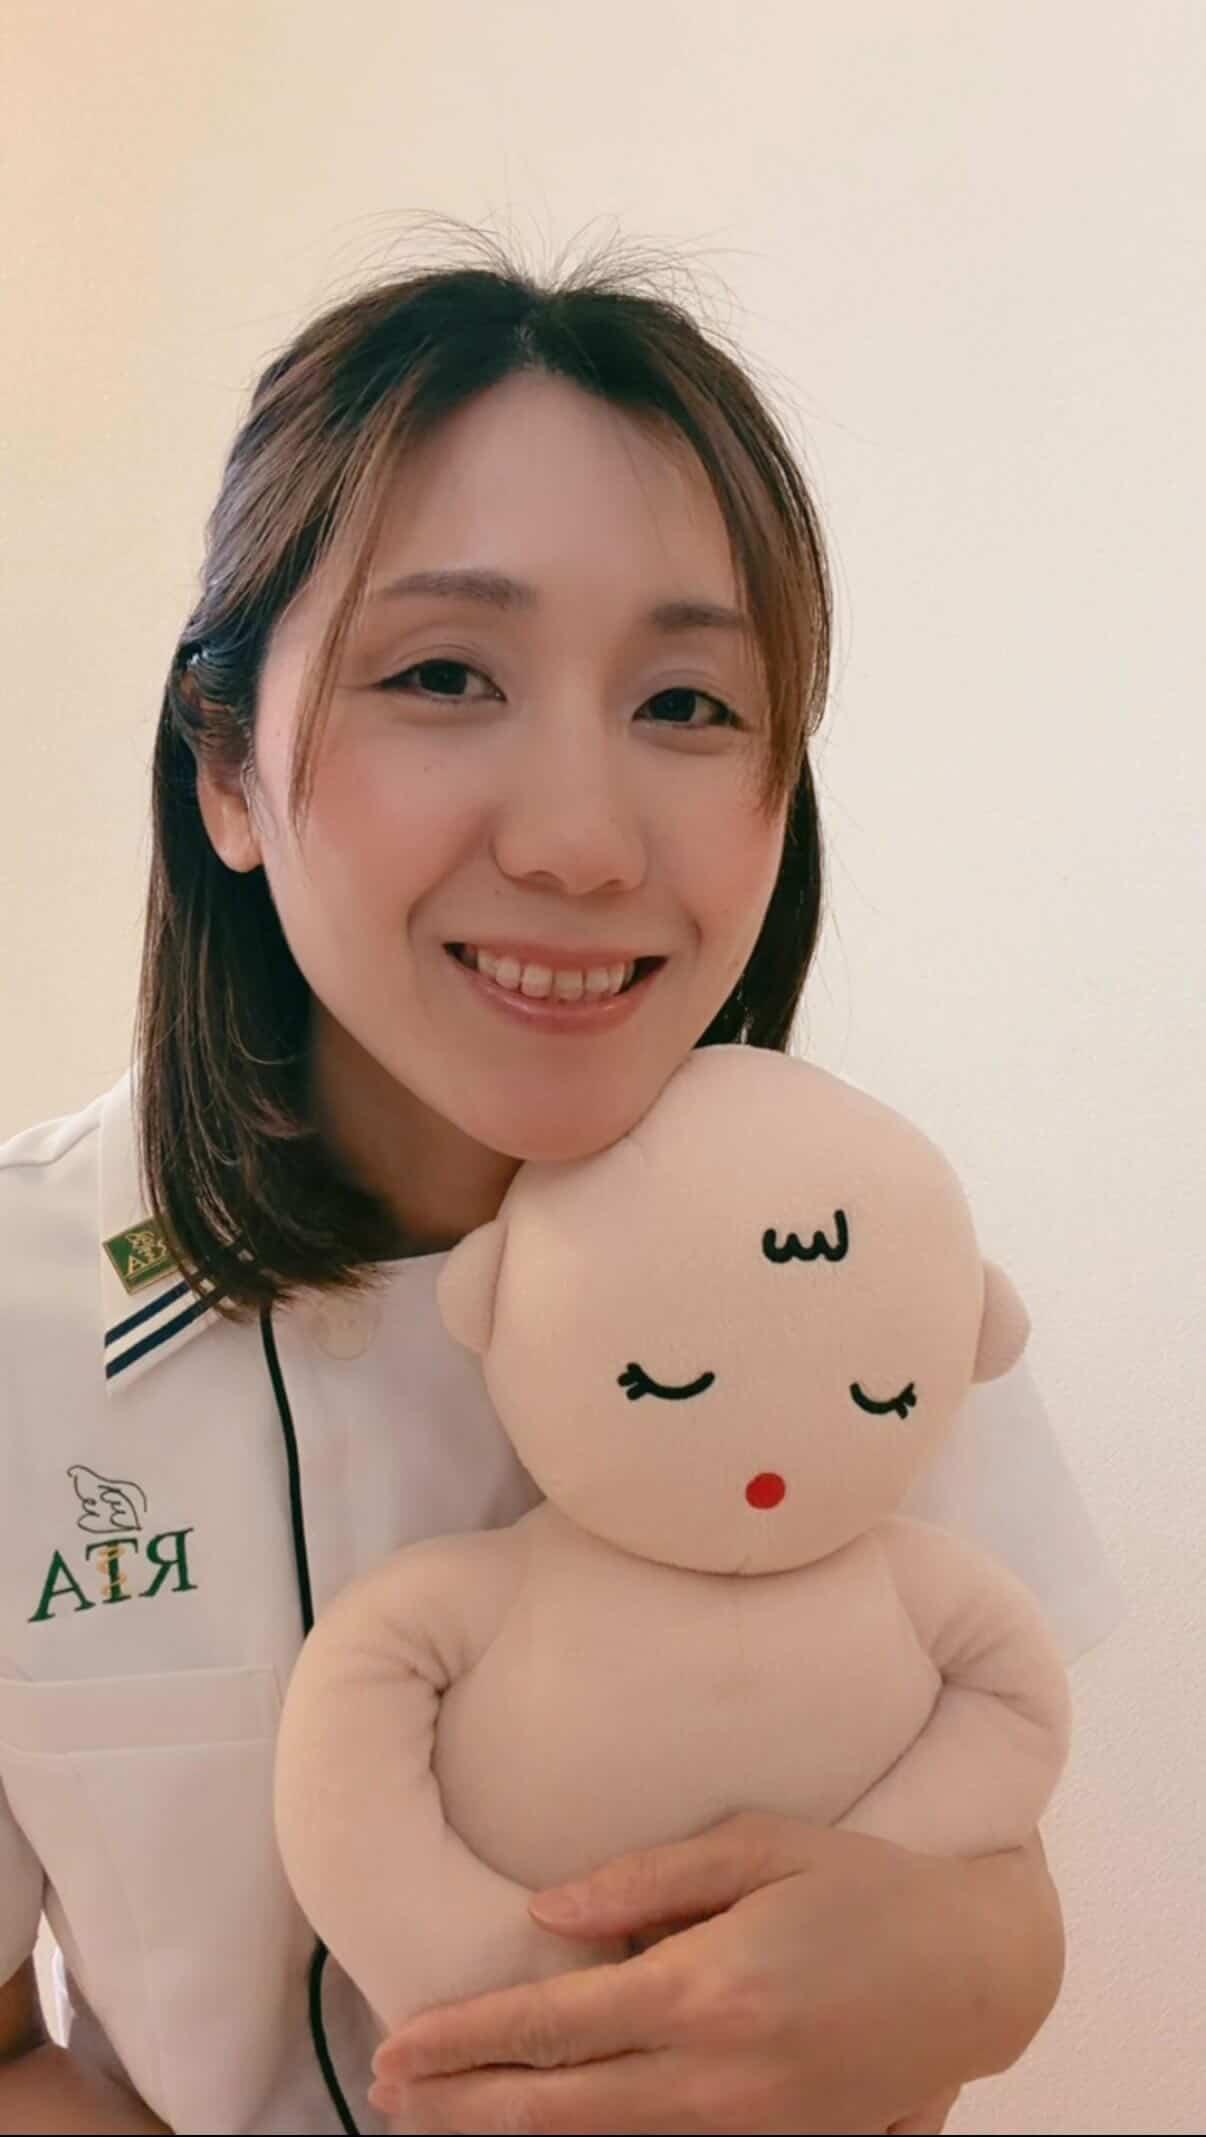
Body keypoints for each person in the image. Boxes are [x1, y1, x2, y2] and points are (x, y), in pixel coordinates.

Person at [0, 226, 1122, 2137]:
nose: (583, 842)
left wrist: (983, 1976)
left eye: (687, 704)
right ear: (226, 768)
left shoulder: (865, 1261)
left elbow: (971, 1842)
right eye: (445, 673)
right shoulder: (22, 1317)